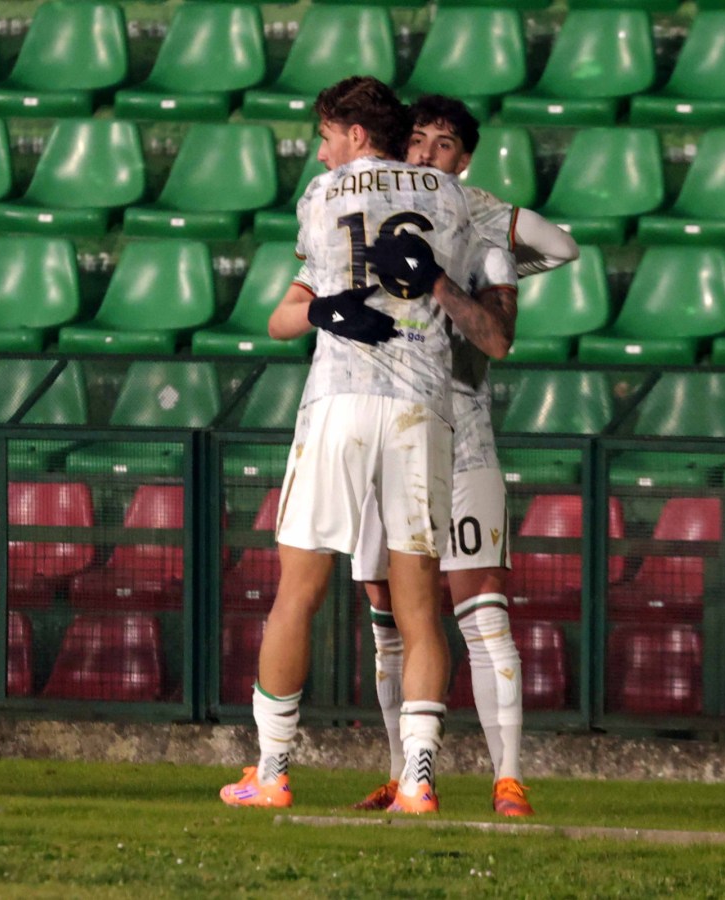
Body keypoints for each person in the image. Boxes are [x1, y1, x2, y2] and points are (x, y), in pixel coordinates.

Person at [218, 77, 519, 814]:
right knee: (420, 605)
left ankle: (271, 769)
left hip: (339, 400)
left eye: (325, 134)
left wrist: (327, 307)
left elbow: (301, 301)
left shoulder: (321, 197)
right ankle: (418, 777)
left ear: (354, 133)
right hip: (422, 407)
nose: (319, 149)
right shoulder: (453, 199)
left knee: (299, 591)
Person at [350, 95, 579, 817]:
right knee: (386, 619)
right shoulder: (366, 219)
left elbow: (506, 328)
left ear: (464, 161)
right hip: (382, 435)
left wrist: (468, 242)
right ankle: (403, 773)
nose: (424, 154)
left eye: (443, 146)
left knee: (480, 612)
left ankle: (507, 777)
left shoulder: (478, 231)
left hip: (461, 434)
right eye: (415, 140)